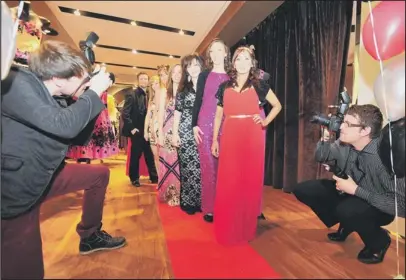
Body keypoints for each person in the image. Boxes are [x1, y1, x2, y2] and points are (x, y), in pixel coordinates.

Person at [1, 40, 126, 279]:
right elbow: (62, 126)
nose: (85, 81)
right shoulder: (17, 83)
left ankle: (89, 236)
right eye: (80, 76)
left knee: (99, 175)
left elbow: (78, 136)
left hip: (46, 173)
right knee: (27, 270)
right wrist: (92, 93)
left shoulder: (58, 96)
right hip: (15, 187)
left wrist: (91, 95)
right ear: (59, 77)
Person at [293, 104, 405, 264]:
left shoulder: (385, 158)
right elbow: (322, 156)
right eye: (343, 121)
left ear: (365, 131)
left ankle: (378, 242)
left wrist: (356, 190)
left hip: (378, 206)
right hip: (350, 192)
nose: (341, 127)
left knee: (348, 210)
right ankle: (348, 223)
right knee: (304, 190)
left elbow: (401, 205)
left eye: (348, 124)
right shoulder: (345, 143)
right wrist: (325, 139)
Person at [211, 46, 282, 245]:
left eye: (246, 59)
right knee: (229, 181)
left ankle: (246, 226)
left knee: (248, 180)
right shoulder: (224, 87)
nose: (242, 63)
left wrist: (265, 121)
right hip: (230, 135)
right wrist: (215, 139)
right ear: (233, 62)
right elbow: (218, 116)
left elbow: (277, 105)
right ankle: (228, 224)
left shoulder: (260, 85)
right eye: (238, 59)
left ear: (252, 63)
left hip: (253, 136)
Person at [191, 38, 231, 222]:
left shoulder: (232, 75)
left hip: (227, 125)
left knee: (226, 168)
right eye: (212, 51)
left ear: (225, 53)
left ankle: (226, 205)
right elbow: (198, 100)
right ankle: (210, 208)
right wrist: (194, 125)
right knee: (208, 167)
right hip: (205, 123)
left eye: (219, 50)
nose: (215, 54)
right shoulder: (204, 76)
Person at [172, 54, 204, 215]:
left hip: (203, 130)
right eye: (190, 65)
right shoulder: (183, 89)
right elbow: (177, 112)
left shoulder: (207, 86)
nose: (194, 68)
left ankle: (203, 202)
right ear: (186, 69)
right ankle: (189, 202)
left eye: (196, 64)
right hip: (185, 130)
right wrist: (175, 134)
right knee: (187, 168)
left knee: (202, 168)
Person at [122, 72, 158, 187]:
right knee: (135, 155)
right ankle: (134, 178)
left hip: (148, 130)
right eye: (141, 79)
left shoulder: (150, 94)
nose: (144, 81)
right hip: (137, 131)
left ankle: (154, 177)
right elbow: (125, 113)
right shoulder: (131, 94)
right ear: (138, 81)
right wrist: (132, 128)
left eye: (146, 79)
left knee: (149, 154)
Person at [156, 64, 182, 206]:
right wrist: (159, 132)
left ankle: (180, 193)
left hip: (181, 133)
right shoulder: (164, 91)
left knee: (179, 164)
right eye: (175, 72)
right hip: (167, 132)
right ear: (171, 74)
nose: (177, 74)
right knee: (168, 163)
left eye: (180, 72)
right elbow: (160, 114)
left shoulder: (185, 92)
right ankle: (171, 193)